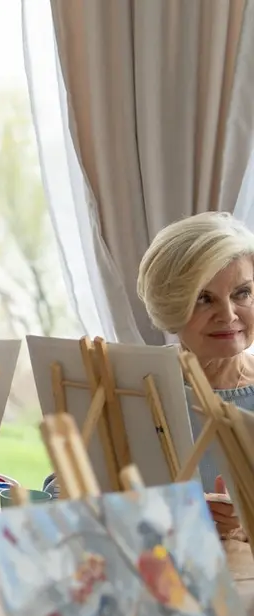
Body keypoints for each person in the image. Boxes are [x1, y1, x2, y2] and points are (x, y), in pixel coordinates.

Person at [43, 211, 254, 541]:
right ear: (171, 306)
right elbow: (61, 491)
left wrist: (246, 527)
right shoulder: (134, 388)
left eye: (242, 293)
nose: (228, 315)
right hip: (149, 579)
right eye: (204, 298)